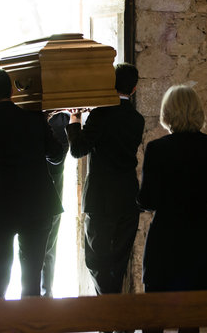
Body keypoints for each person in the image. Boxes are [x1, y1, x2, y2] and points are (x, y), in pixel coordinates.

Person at [0, 69, 64, 299]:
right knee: (32, 274)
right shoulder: (34, 120)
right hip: (37, 205)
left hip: (3, 207)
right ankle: (30, 324)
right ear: (12, 91)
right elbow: (56, 156)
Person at [66, 62, 145, 295]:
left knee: (96, 260)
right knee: (119, 262)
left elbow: (78, 150)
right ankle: (114, 316)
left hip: (100, 197)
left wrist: (75, 118)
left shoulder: (100, 114)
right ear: (134, 89)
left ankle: (108, 314)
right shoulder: (137, 119)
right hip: (128, 197)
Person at [137, 85, 207, 294]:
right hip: (200, 235)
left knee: (155, 314)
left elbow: (148, 200)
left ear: (167, 112)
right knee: (191, 318)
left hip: (166, 238)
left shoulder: (157, 149)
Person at [41, 111, 70, 297]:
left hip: (46, 196)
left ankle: (44, 294)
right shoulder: (60, 122)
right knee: (48, 248)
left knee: (47, 248)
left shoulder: (59, 122)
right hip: (49, 196)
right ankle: (45, 294)